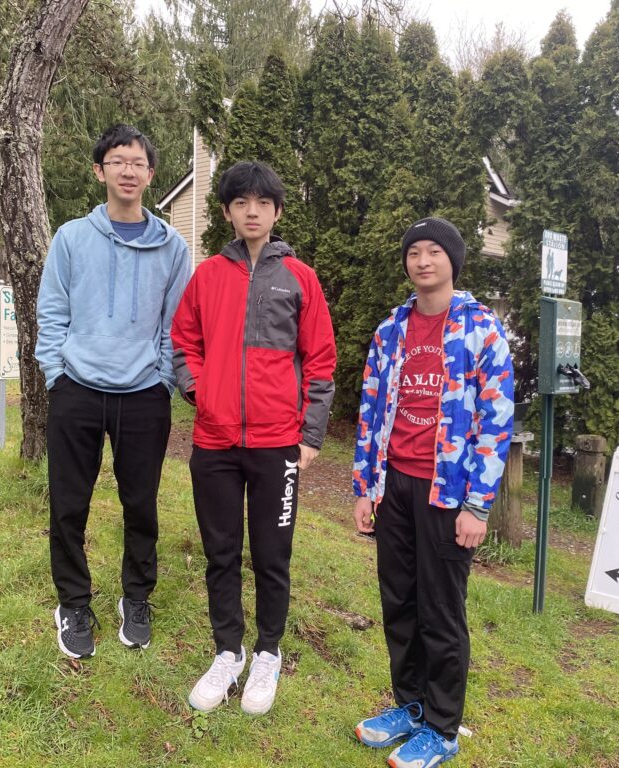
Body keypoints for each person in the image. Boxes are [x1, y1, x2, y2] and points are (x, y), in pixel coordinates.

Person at [172, 160, 337, 716]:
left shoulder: (300, 279)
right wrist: (198, 390)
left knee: (272, 555)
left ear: (277, 211)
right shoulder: (207, 277)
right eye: (241, 202)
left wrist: (310, 435)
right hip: (214, 443)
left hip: (277, 444)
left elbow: (320, 360)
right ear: (226, 211)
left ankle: (268, 651)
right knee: (220, 552)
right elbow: (183, 341)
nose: (252, 211)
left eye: (262, 203)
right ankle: (228, 651)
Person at [351, 217, 514, 767]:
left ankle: (442, 727)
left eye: (434, 252)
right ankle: (411, 705)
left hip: (448, 492)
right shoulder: (390, 331)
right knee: (399, 603)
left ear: (453, 261)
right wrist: (364, 488)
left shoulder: (481, 329)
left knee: (440, 611)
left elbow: (495, 422)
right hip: (393, 486)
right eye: (414, 252)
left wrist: (477, 505)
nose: (423, 261)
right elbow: (370, 411)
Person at [36, 124, 191, 659]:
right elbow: (52, 313)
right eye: (118, 161)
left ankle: (137, 597)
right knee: (68, 505)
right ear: (100, 171)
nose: (128, 170)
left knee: (140, 505)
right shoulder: (71, 238)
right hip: (76, 389)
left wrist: (163, 381)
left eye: (138, 162)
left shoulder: (173, 247)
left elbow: (176, 325)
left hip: (144, 394)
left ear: (151, 174)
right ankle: (73, 604)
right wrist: (56, 375)